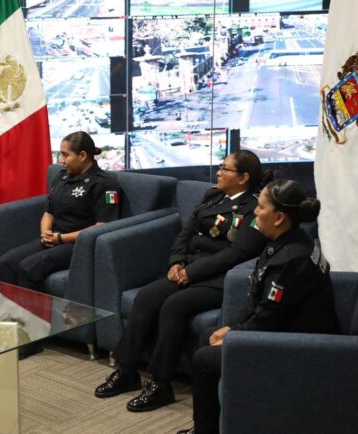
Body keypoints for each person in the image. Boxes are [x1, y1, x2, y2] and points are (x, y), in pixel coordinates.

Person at [94, 150, 270, 412]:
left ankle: (160, 384)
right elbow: (185, 234)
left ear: (244, 178)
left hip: (220, 278)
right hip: (189, 268)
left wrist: (193, 272)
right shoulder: (213, 196)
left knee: (174, 305)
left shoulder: (254, 208)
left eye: (225, 169)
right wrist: (176, 262)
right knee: (147, 296)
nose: (219, 172)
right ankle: (126, 370)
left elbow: (238, 254)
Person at [179, 179, 340, 434]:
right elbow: (261, 300)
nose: (255, 211)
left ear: (279, 217)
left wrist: (236, 333)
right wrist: (233, 327)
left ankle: (206, 430)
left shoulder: (290, 259)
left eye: (261, 207)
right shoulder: (288, 239)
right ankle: (220, 422)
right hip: (283, 329)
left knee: (203, 359)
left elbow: (269, 316)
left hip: (298, 347)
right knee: (207, 335)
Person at [0, 131, 121, 291]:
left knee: (29, 268)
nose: (61, 160)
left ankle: (31, 316)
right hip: (53, 239)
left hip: (78, 245)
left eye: (66, 155)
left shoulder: (105, 185)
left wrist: (60, 238)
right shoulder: (62, 177)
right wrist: (45, 232)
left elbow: (103, 226)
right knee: (5, 264)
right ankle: (7, 314)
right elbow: (49, 211)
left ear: (82, 155)